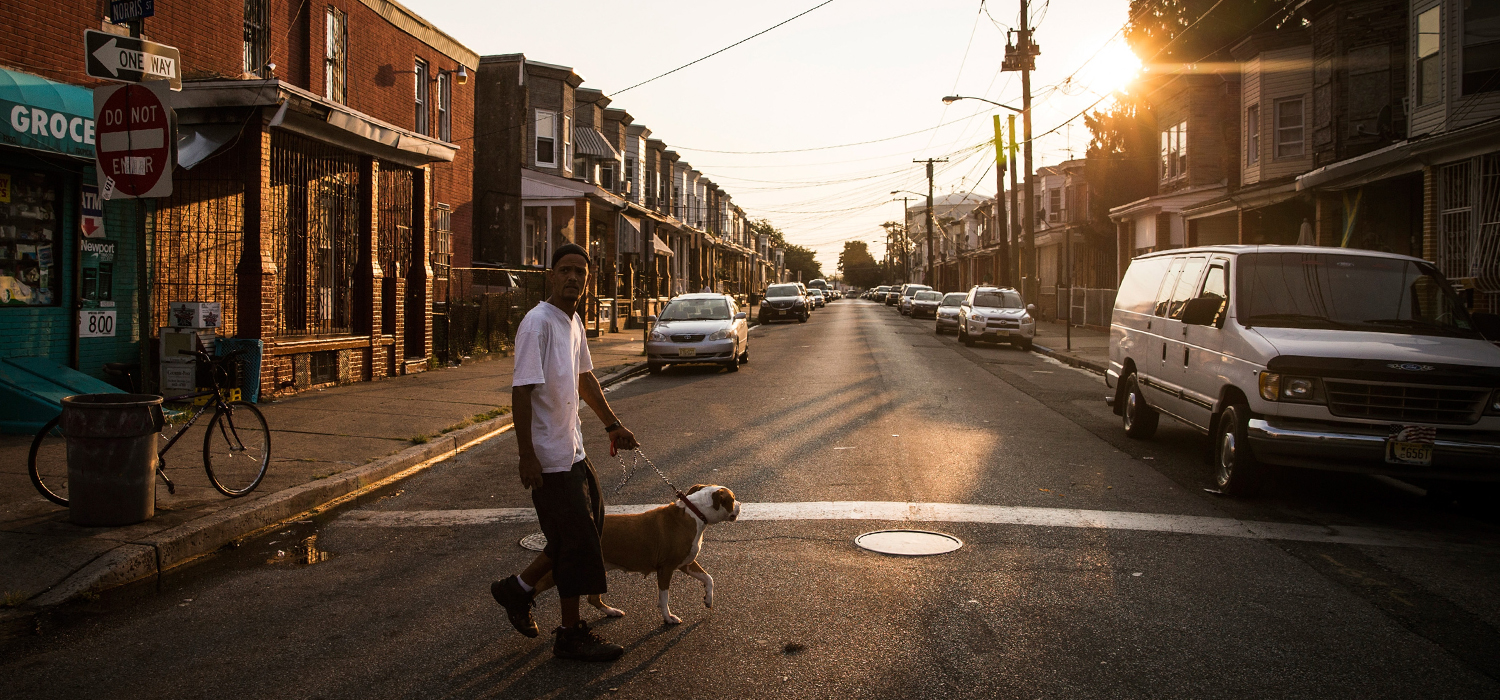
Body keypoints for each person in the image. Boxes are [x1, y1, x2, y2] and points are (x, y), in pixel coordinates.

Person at [491, 243, 639, 662]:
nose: (573, 277)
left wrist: (612, 425)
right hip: (548, 458)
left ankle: (516, 590)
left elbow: (584, 378)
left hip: (572, 450)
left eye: (580, 271)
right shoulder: (537, 323)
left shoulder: (572, 322)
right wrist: (526, 455)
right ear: (550, 275)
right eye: (565, 270)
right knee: (577, 542)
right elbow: (521, 392)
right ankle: (570, 633)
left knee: (579, 536)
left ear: (588, 279)